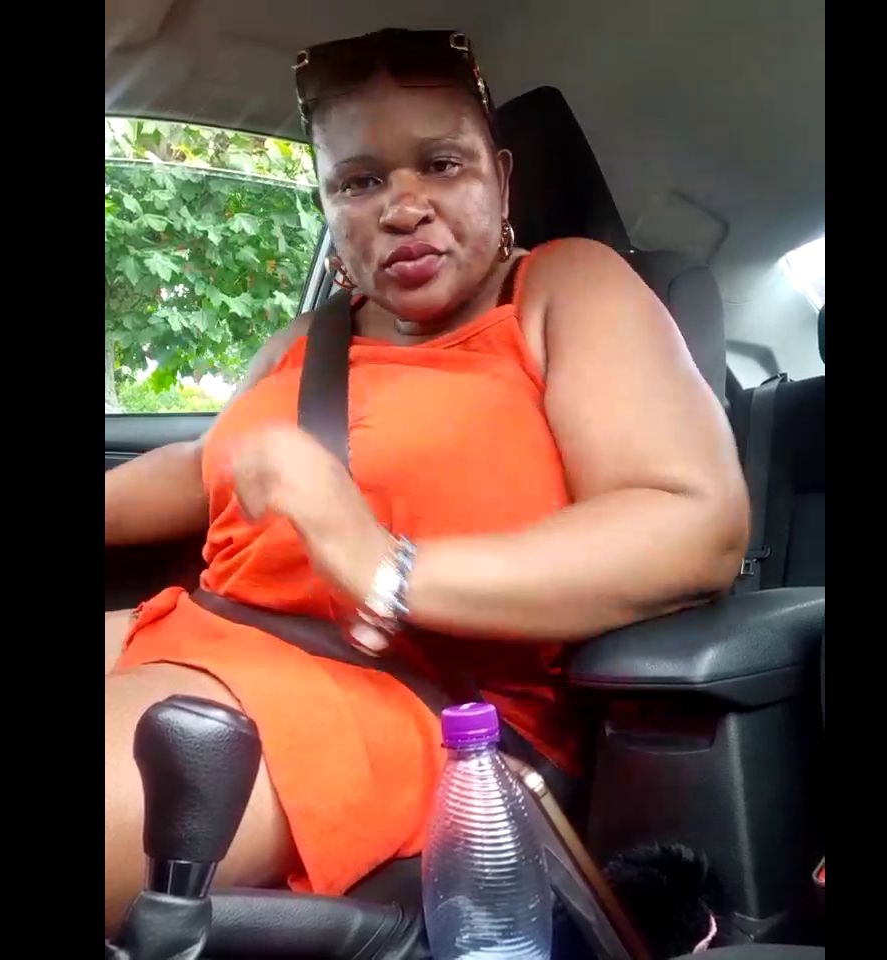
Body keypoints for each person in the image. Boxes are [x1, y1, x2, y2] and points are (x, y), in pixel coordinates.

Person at [104, 28, 749, 932]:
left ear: (502, 180)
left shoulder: (563, 289)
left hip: (405, 704)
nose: (403, 207)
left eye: (442, 165)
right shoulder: (302, 341)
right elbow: (204, 466)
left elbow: (693, 523)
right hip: (188, 633)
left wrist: (386, 566)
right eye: (359, 182)